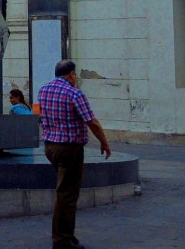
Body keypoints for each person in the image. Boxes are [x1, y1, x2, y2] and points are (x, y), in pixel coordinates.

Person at [38, 59, 111, 249]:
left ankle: (68, 235)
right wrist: (104, 142)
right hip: (69, 149)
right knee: (67, 195)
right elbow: (92, 122)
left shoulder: (44, 90)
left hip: (50, 147)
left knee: (65, 192)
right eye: (75, 74)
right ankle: (62, 240)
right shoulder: (74, 93)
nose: (75, 77)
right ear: (71, 74)